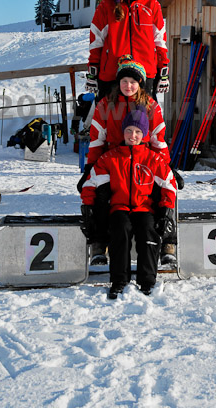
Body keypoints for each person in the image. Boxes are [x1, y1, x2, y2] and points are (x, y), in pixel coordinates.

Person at [78, 55, 177, 266]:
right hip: (113, 162)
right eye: (124, 81)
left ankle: (168, 244)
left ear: (140, 82)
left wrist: (167, 166)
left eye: (133, 82)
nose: (128, 86)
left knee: (167, 192)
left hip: (144, 162)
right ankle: (98, 245)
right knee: (100, 195)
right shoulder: (105, 104)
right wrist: (90, 167)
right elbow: (97, 140)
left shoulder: (150, 106)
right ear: (118, 82)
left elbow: (158, 139)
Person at [80, 107, 176, 299]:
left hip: (144, 208)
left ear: (145, 134)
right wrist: (88, 210)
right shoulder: (110, 157)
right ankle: (118, 280)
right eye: (129, 131)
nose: (133, 135)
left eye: (138, 132)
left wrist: (166, 212)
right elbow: (90, 183)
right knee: (119, 229)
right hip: (119, 207)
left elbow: (169, 185)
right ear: (123, 132)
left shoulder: (153, 159)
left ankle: (147, 280)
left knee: (148, 230)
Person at [86, 0, 169, 100]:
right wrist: (93, 71)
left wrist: (163, 69)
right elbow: (96, 41)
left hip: (144, 75)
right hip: (111, 74)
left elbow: (160, 41)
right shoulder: (106, 6)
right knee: (110, 120)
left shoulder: (152, 5)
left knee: (143, 121)